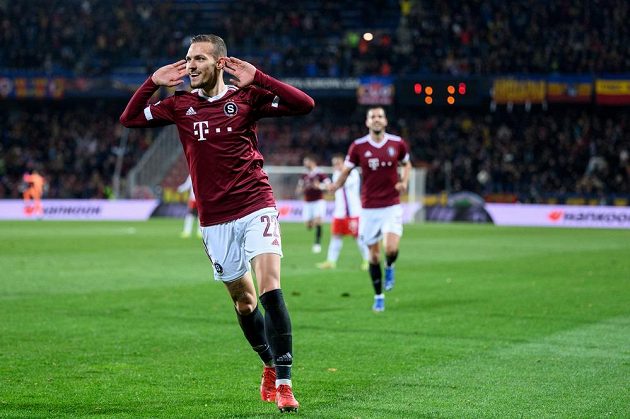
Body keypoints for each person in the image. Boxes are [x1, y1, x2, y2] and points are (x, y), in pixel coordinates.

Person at [119, 34, 314, 413]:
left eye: (199, 59)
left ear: (219, 63)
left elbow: (304, 104)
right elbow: (129, 119)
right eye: (188, 59)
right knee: (244, 302)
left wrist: (259, 77)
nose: (190, 65)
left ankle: (287, 384)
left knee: (270, 288)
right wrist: (151, 83)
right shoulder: (179, 105)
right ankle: (269, 367)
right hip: (214, 219)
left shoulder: (247, 99)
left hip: (256, 203)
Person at [330, 107, 411, 312]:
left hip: (391, 206)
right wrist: (335, 186)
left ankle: (390, 266)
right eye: (372, 117)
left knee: (391, 249)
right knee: (373, 256)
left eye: (380, 116)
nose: (376, 119)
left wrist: (404, 181)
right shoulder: (358, 146)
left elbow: (407, 164)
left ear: (385, 121)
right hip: (368, 209)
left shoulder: (397, 143)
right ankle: (378, 296)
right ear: (367, 122)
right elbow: (346, 171)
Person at [316, 154, 369, 270]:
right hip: (340, 212)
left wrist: (325, 186)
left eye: (338, 163)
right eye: (334, 164)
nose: (336, 166)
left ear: (344, 163)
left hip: (353, 212)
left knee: (359, 237)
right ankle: (331, 261)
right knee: (335, 237)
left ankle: (368, 260)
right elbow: (334, 188)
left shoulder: (353, 173)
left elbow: (341, 185)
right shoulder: (336, 175)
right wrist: (325, 186)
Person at [295, 155, 330, 253]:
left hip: (318, 201)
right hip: (307, 202)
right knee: (308, 225)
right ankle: (314, 223)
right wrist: (301, 189)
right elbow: (299, 188)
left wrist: (319, 186)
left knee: (318, 221)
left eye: (306, 162)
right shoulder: (304, 175)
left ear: (312, 162)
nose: (304, 164)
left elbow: (328, 185)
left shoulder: (320, 173)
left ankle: (317, 244)